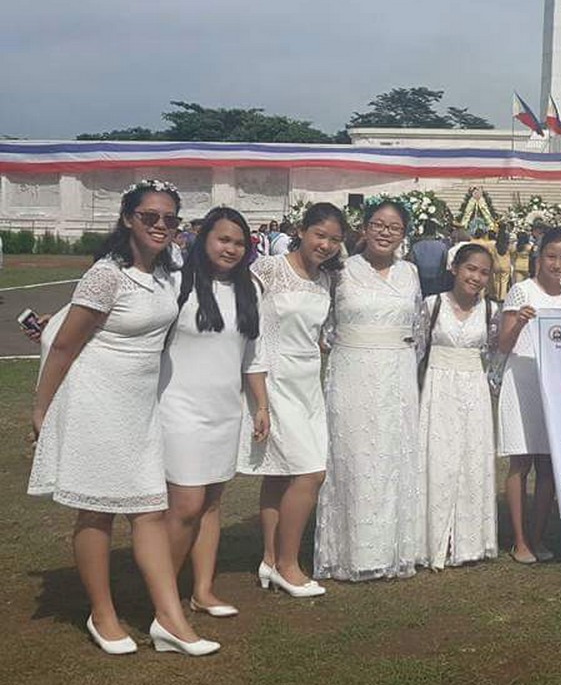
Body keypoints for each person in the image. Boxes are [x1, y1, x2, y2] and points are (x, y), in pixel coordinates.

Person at [28, 179, 219, 656]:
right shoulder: (106, 274)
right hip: (96, 398)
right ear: (128, 219)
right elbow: (65, 345)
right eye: (149, 216)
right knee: (97, 509)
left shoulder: (168, 271)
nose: (160, 225)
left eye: (169, 219)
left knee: (150, 509)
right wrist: (41, 409)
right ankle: (102, 615)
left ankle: (170, 621)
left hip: (140, 405)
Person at [159, 207, 269, 620]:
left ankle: (202, 590)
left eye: (239, 243)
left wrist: (261, 406)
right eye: (223, 239)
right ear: (203, 238)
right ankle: (164, 596)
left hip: (225, 410)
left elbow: (253, 355)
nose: (231, 249)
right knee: (186, 504)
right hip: (179, 408)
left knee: (210, 504)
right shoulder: (177, 283)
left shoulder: (249, 289)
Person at [314, 197, 425, 581]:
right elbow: (323, 325)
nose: (385, 233)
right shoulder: (341, 270)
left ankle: (391, 549)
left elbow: (418, 329)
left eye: (394, 227)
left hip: (397, 375)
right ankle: (351, 553)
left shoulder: (410, 273)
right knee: (354, 457)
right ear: (364, 228)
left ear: (404, 234)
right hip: (352, 373)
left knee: (392, 457)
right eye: (378, 224)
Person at [239, 202, 346, 598]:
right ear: (301, 231)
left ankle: (269, 560)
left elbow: (315, 333)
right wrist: (260, 401)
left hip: (308, 384)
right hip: (274, 378)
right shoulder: (268, 268)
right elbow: (247, 327)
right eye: (320, 235)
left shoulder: (325, 280)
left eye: (335, 239)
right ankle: (288, 564)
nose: (326, 245)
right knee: (310, 473)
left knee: (281, 473)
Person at [496, 227, 561, 564]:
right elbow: (503, 344)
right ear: (539, 258)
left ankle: (538, 536)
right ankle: (519, 540)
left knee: (548, 464)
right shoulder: (521, 290)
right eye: (551, 256)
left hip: (555, 386)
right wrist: (519, 322)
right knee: (521, 461)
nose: (557, 264)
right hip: (522, 379)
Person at [419, 243, 498, 569]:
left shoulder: (491, 311)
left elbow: (495, 355)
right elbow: (417, 350)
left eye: (484, 273)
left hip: (474, 392)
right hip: (437, 389)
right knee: (437, 458)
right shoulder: (431, 305)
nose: (476, 277)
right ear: (454, 268)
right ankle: (430, 536)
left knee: (470, 459)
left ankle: (467, 540)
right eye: (471, 269)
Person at [411, 223, 449, 296]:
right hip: (437, 280)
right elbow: (444, 263)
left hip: (420, 280)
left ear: (424, 231)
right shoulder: (442, 246)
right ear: (435, 231)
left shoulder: (416, 246)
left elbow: (412, 263)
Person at [490, 228, 515, 300]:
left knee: (497, 280)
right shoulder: (508, 246)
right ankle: (502, 296)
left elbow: (491, 253)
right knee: (504, 281)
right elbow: (513, 252)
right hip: (506, 264)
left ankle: (497, 295)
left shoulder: (495, 246)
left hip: (496, 264)